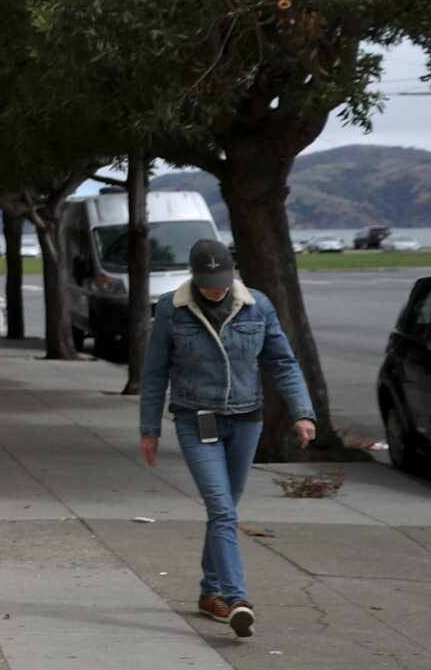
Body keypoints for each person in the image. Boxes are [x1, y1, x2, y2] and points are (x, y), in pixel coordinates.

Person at [136, 238, 316, 640]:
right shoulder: (172, 308)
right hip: (194, 419)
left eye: (222, 281)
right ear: (193, 276)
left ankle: (208, 593)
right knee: (221, 508)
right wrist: (150, 429)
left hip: (246, 420)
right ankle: (236, 600)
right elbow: (154, 375)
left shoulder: (257, 305)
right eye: (208, 282)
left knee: (226, 508)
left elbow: (282, 362)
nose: (216, 289)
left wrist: (302, 412)